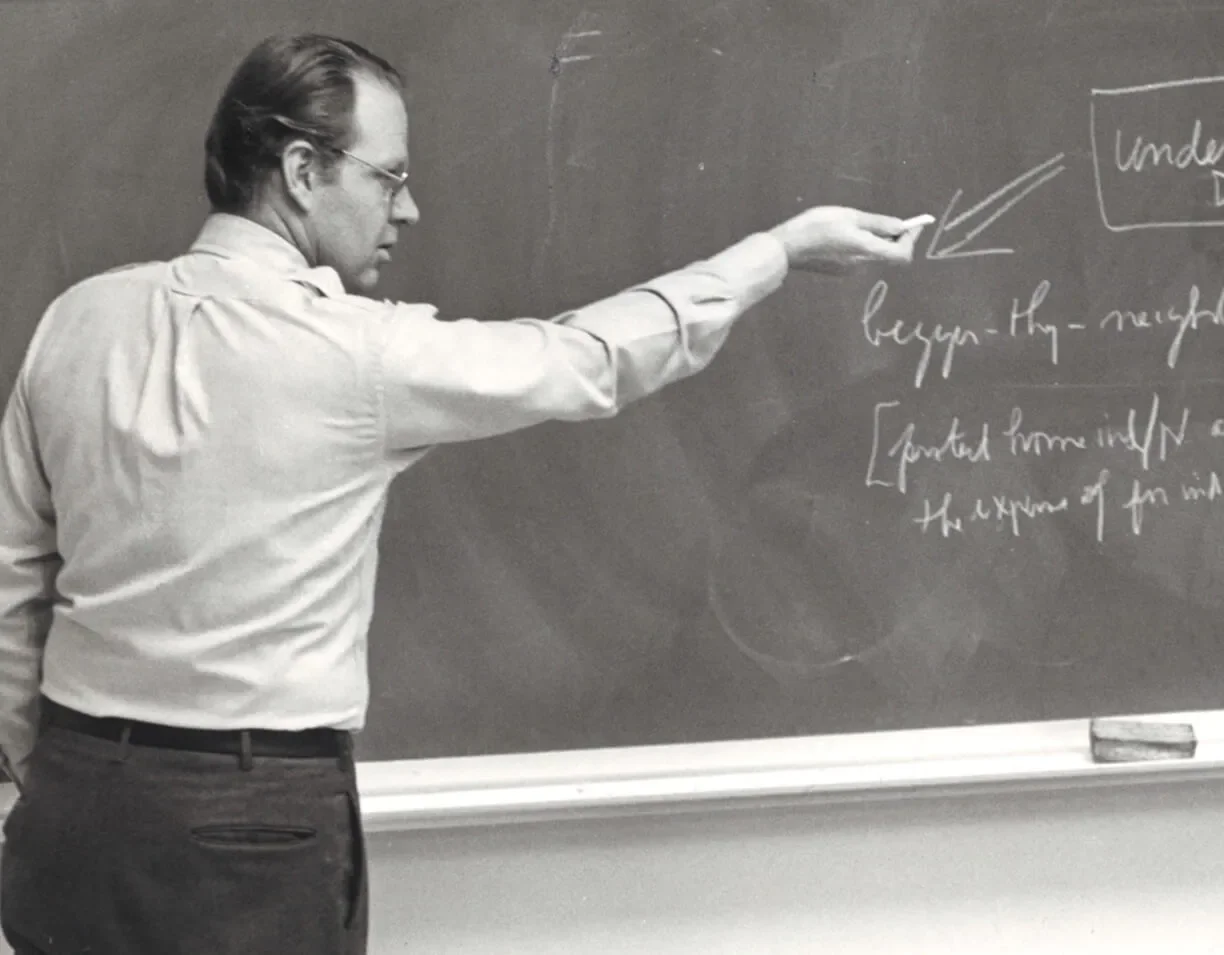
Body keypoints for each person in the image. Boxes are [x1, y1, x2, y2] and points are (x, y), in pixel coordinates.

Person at [0, 32, 927, 954]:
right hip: (250, 820)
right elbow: (588, 359)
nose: (407, 210)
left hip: (73, 803)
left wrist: (31, 780)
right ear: (300, 169)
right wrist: (779, 251)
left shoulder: (75, 321)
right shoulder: (356, 355)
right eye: (388, 177)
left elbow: (11, 584)